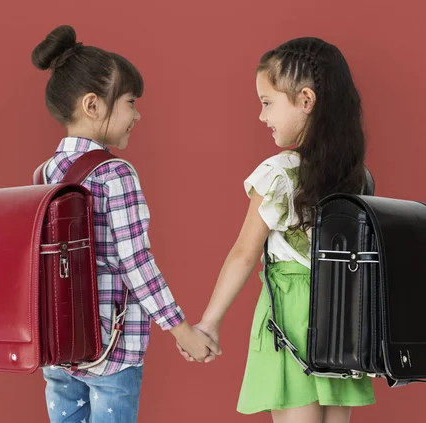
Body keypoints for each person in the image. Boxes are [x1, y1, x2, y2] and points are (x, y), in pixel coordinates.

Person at [178, 37, 376, 423]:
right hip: (342, 317)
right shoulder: (358, 178)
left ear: (305, 100)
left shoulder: (280, 173)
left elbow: (244, 253)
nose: (261, 116)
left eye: (267, 102)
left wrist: (210, 322)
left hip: (292, 315)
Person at [32, 24, 221, 423]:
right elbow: (135, 262)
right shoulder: (114, 174)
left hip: (56, 344)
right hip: (112, 350)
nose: (137, 114)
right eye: (131, 102)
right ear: (93, 105)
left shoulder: (44, 174)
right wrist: (181, 330)